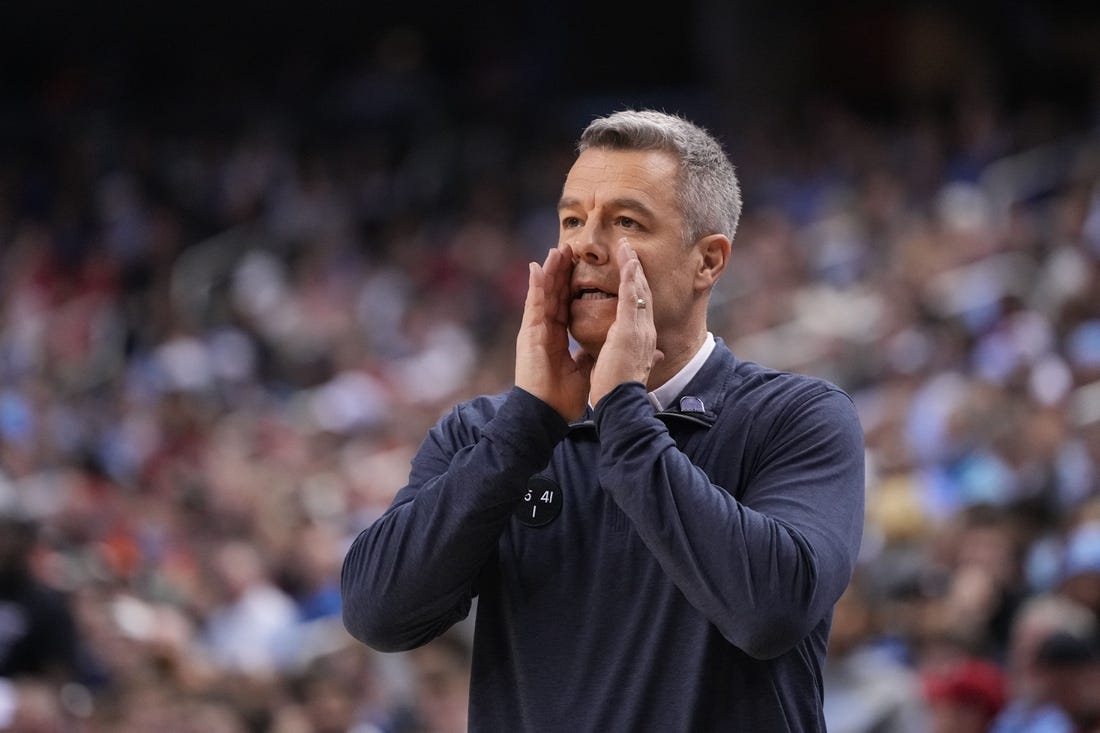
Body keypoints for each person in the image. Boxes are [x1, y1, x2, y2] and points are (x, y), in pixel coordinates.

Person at [341, 109, 865, 731]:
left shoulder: (797, 419)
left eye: (624, 222)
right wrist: (525, 429)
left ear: (708, 262)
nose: (584, 243)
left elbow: (769, 612)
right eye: (571, 219)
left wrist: (623, 411)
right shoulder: (486, 435)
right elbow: (377, 613)